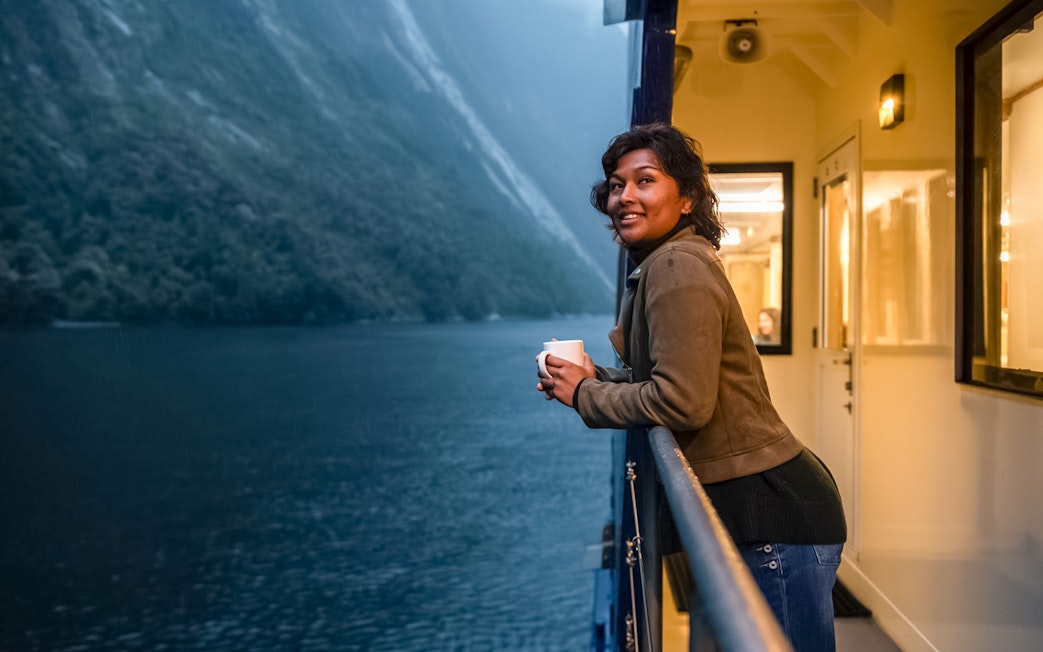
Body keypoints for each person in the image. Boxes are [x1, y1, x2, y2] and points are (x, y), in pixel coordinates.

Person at [536, 123, 846, 651]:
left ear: (687, 199)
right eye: (615, 184)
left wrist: (585, 396)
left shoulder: (676, 265)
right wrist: (597, 377)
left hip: (770, 513)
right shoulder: (672, 260)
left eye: (645, 180)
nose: (624, 196)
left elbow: (682, 401)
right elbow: (672, 377)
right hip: (767, 506)